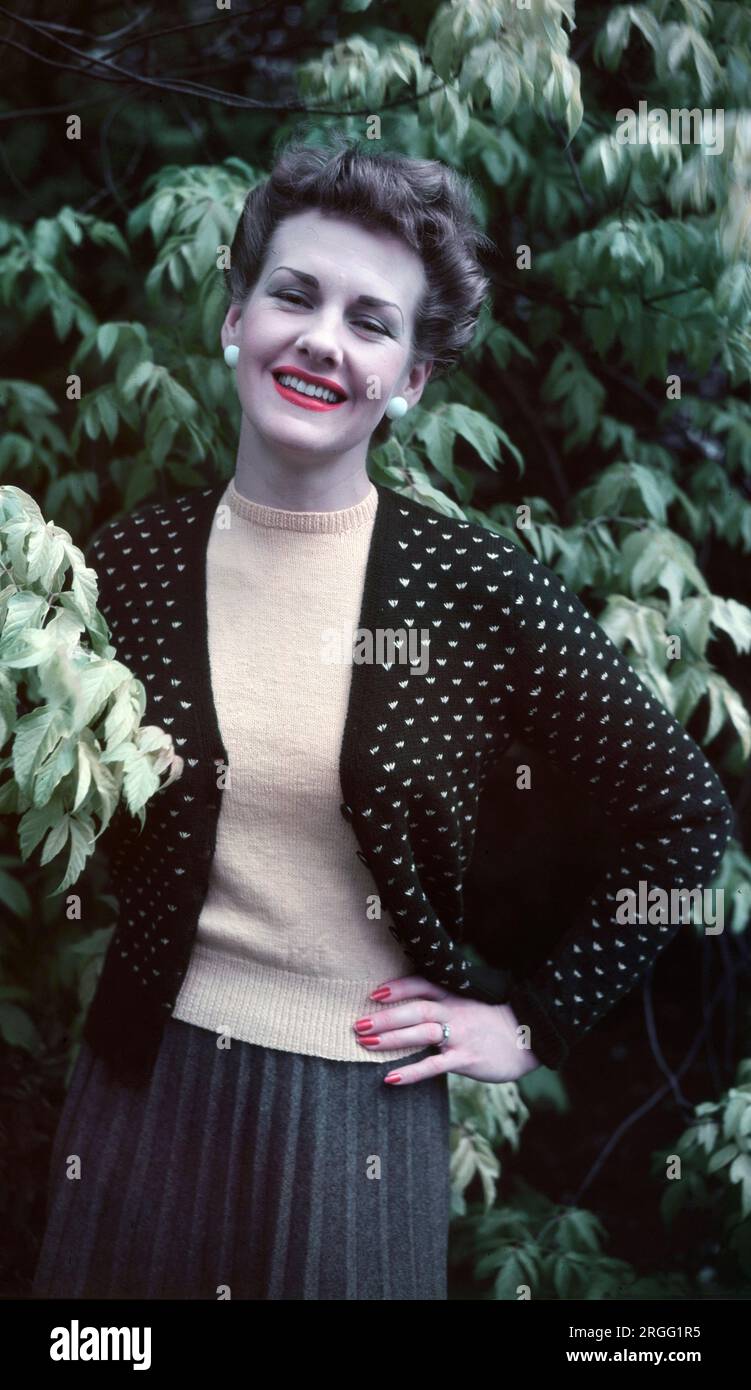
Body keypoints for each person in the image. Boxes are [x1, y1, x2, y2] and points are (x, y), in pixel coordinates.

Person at [31, 133, 734, 1302]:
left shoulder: (472, 588)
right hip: (138, 1100)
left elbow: (684, 813)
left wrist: (531, 1024)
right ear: (235, 321)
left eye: (372, 321)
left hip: (351, 1123)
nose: (321, 340)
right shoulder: (129, 566)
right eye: (293, 296)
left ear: (408, 380)